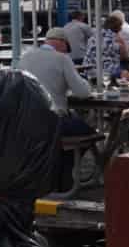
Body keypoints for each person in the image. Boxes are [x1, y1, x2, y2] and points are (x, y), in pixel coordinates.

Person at [18, 27, 95, 191]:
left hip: (25, 121)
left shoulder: (24, 58)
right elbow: (83, 92)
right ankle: (64, 174)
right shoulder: (61, 59)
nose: (67, 53)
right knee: (90, 132)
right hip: (53, 121)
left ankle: (55, 176)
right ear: (61, 43)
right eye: (67, 49)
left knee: (69, 130)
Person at [81, 13, 129, 81]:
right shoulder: (115, 38)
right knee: (126, 67)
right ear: (119, 27)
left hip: (88, 70)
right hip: (105, 72)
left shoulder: (94, 36)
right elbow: (125, 56)